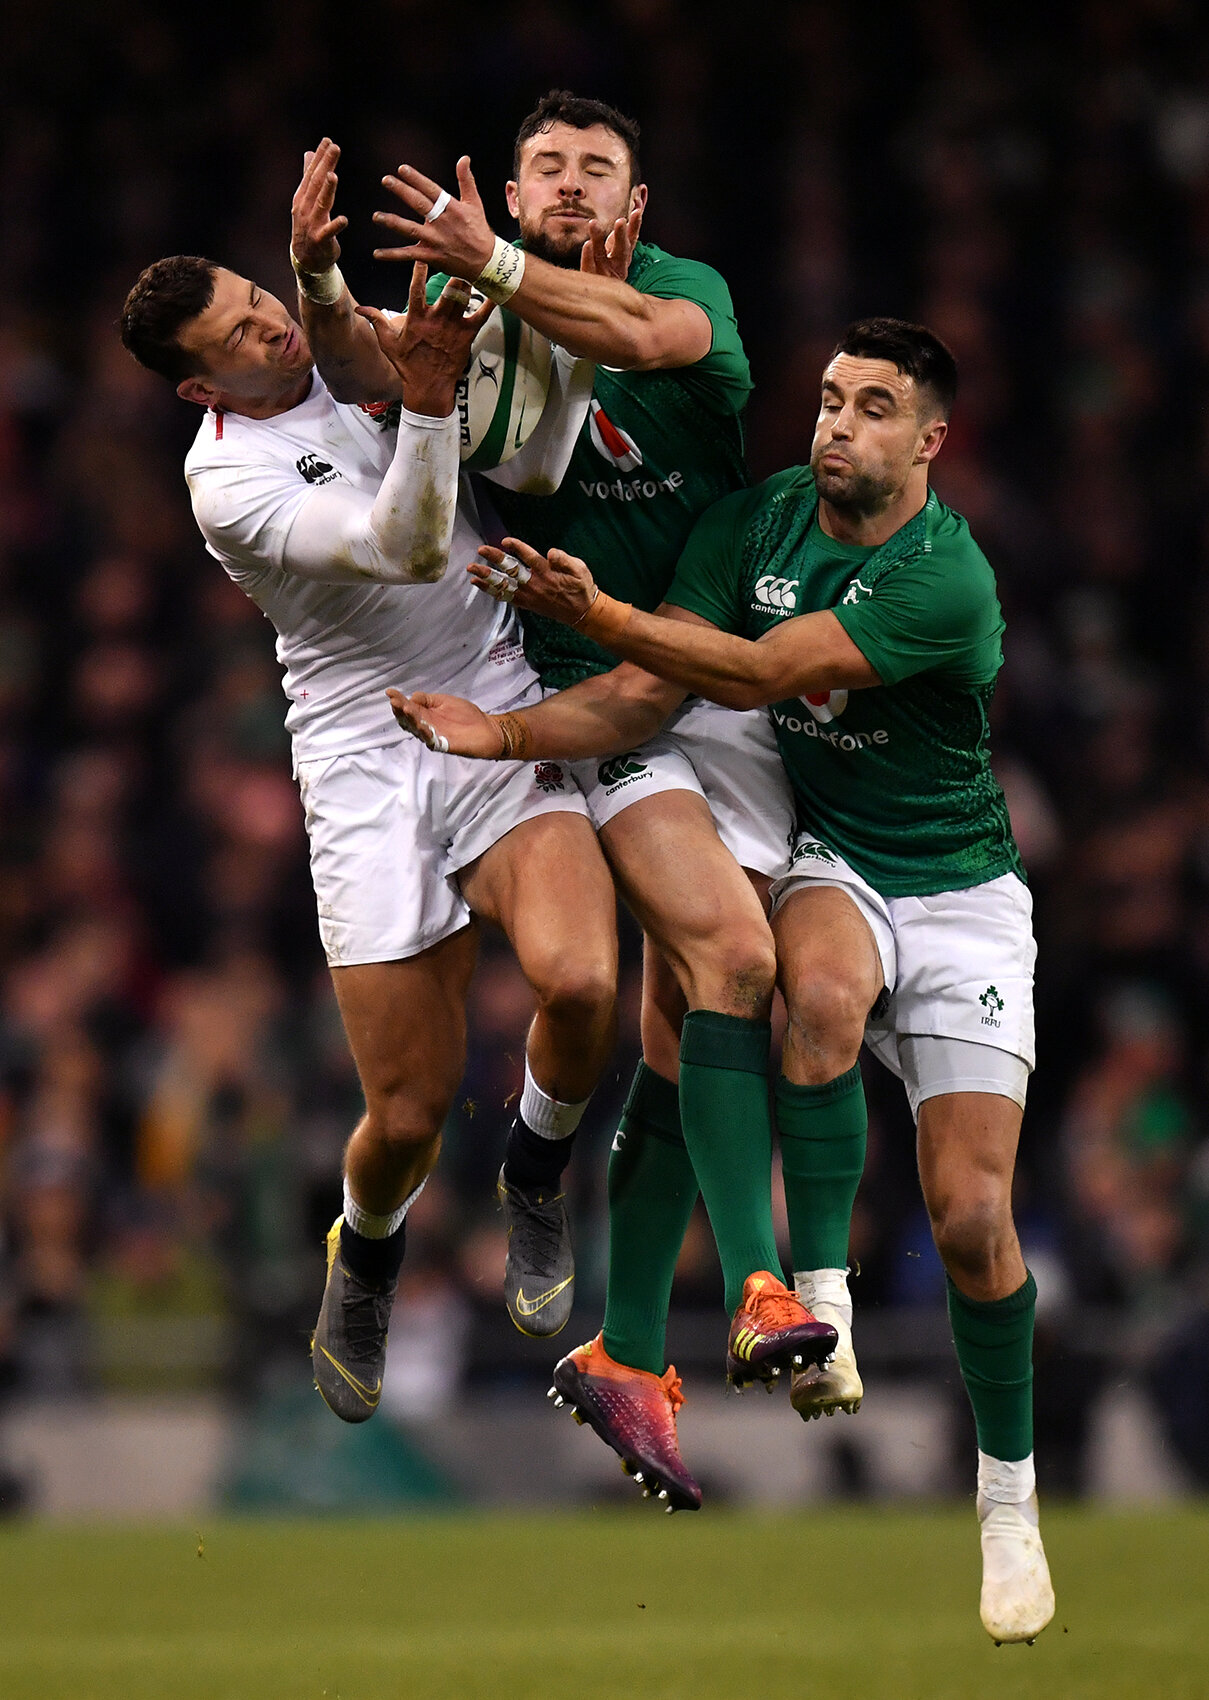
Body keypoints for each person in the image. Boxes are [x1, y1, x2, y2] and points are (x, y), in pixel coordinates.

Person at [390, 317, 1055, 1645]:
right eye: (827, 399)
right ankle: (806, 1303)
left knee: (975, 1221)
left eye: (872, 408)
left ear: (930, 442)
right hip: (835, 861)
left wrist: (594, 611)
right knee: (767, 981)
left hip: (964, 895)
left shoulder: (945, 579)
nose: (836, 425)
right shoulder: (755, 525)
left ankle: (1006, 1495)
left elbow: (759, 671)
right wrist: (510, 726)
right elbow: (643, 694)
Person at [289, 98, 837, 1471]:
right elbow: (367, 354)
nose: (576, 189)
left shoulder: (679, 293)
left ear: (636, 210)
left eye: (602, 173)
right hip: (583, 699)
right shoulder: (471, 308)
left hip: (710, 677)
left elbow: (643, 340)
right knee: (708, 966)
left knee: (688, 1020)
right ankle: (750, 1288)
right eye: (550, 170)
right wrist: (326, 288)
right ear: (515, 194)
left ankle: (630, 1342)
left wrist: (505, 270)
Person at [118, 253, 620, 1423]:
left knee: (584, 978)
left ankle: (536, 1171)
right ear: (199, 391)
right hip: (363, 754)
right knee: (406, 1109)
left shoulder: (345, 341)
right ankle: (369, 1251)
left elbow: (505, 407)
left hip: (488, 684)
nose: (269, 331)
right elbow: (401, 543)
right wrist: (435, 400)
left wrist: (334, 282)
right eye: (238, 338)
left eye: (261, 300)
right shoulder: (227, 484)